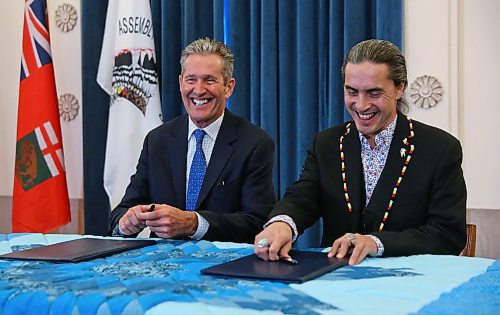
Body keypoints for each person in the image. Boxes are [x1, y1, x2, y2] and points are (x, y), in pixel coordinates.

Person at [254, 39, 466, 265]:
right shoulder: (327, 143)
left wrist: (377, 243)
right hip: (335, 279)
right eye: (352, 92)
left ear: (399, 88)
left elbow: (448, 235)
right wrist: (282, 223)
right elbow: (303, 197)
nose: (361, 105)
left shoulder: (440, 149)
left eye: (374, 93)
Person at [109, 38, 276, 243]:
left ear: (228, 87)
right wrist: (127, 223)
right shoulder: (158, 140)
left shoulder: (255, 143)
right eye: (191, 80)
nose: (198, 90)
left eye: (209, 80)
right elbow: (121, 213)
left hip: (225, 267)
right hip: (163, 266)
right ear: (181, 83)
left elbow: (258, 223)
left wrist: (194, 223)